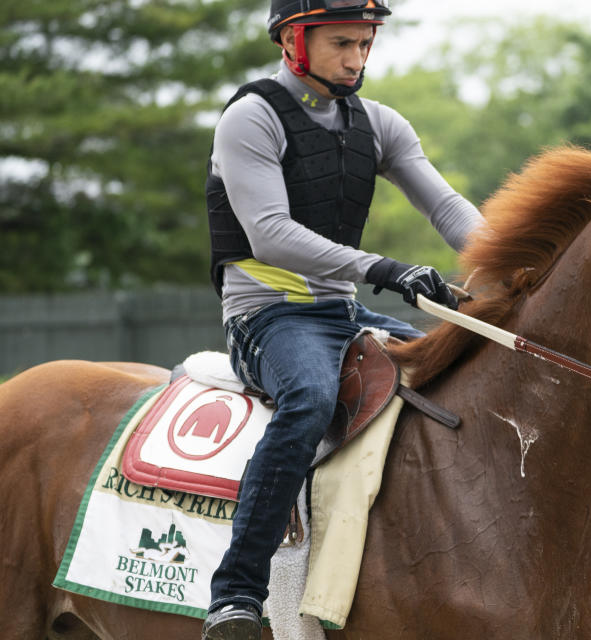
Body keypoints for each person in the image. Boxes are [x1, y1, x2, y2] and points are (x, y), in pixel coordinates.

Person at [200, 1, 484, 638]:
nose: (357, 59)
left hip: (342, 311)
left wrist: (517, 260)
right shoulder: (250, 117)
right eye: (341, 44)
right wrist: (385, 267)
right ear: (292, 40)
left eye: (365, 43)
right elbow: (270, 234)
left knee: (466, 369)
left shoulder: (379, 122)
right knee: (309, 397)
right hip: (268, 316)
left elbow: (446, 208)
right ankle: (237, 594)